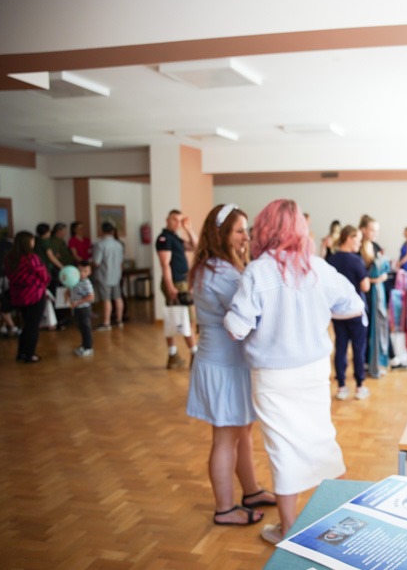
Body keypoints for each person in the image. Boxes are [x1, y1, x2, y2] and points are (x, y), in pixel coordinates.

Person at [224, 199, 365, 543]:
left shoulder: (257, 271)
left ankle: (288, 529)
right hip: (314, 370)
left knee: (282, 449)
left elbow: (237, 328)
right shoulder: (316, 266)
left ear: (266, 228)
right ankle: (345, 520)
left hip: (274, 376)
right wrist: (317, 316)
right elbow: (354, 305)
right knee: (321, 440)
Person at [187, 203, 277, 527]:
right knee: (226, 437)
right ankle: (225, 508)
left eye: (246, 230)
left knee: (242, 431)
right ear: (221, 234)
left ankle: (250, 491)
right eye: (239, 230)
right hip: (222, 366)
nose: (245, 237)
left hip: (229, 363)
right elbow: (247, 313)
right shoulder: (220, 272)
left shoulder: (215, 266)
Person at [327, 225, 371, 400]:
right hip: (356, 313)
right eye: (358, 240)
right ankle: (360, 386)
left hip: (337, 312)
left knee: (341, 347)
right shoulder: (355, 261)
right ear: (349, 238)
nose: (360, 244)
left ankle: (341, 387)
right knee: (359, 349)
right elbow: (365, 286)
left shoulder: (330, 260)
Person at [156, 209, 198, 369]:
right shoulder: (164, 239)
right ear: (167, 219)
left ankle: (174, 356)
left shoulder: (175, 238)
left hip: (182, 282)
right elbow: (164, 264)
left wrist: (188, 229)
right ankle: (192, 353)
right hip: (176, 283)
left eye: (180, 221)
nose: (177, 223)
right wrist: (170, 286)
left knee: (180, 318)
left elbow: (195, 246)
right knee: (184, 318)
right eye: (174, 220)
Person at [5, 231, 50, 363]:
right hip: (34, 295)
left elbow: (9, 275)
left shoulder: (10, 258)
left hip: (19, 296)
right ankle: (30, 354)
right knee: (33, 326)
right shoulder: (32, 258)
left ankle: (21, 353)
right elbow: (44, 275)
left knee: (26, 325)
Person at [358, 214, 389, 378]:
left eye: (376, 231)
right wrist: (375, 279)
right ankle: (364, 363)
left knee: (378, 328)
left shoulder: (375, 246)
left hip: (377, 294)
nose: (374, 233)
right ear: (363, 230)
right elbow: (357, 274)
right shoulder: (358, 248)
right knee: (366, 330)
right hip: (365, 294)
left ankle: (375, 362)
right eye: (372, 230)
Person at [91, 222, 125, 331]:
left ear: (101, 231)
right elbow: (121, 262)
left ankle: (106, 323)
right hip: (116, 274)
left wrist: (89, 262)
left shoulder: (100, 244)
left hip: (104, 275)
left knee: (106, 299)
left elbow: (96, 262)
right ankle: (119, 321)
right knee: (118, 297)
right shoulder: (119, 244)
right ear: (113, 231)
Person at [67, 261, 95, 357]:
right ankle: (84, 345)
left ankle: (88, 348)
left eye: (85, 271)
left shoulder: (86, 283)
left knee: (86, 328)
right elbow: (69, 289)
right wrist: (67, 295)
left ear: (89, 272)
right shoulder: (75, 280)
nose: (82, 273)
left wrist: (78, 302)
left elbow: (91, 296)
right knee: (81, 327)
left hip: (84, 308)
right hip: (77, 308)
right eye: (80, 271)